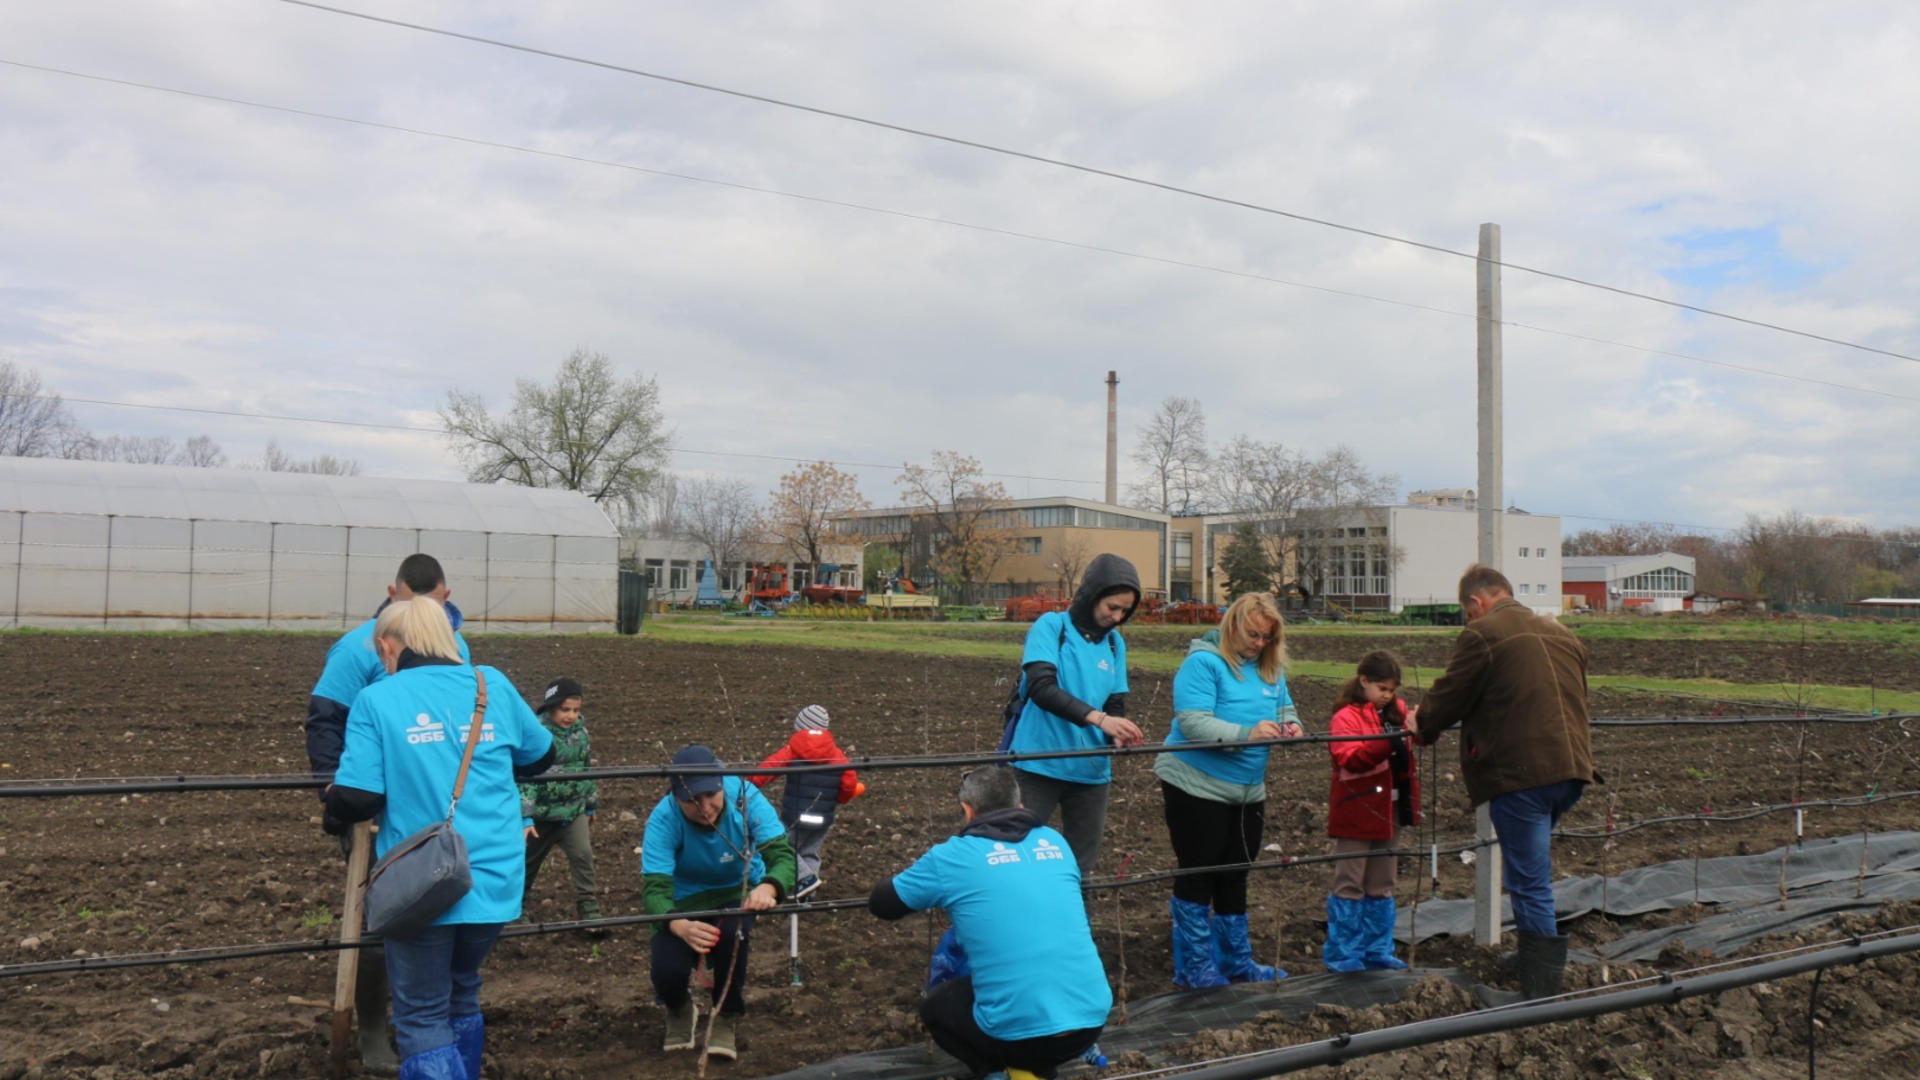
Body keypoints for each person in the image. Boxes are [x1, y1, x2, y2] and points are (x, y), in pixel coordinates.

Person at [325, 597, 555, 1080]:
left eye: (380, 648)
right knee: (462, 990)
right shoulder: (490, 684)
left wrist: (333, 805)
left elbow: (359, 797)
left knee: (421, 1015)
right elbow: (540, 756)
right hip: (493, 876)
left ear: (389, 645)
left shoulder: (378, 699)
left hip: (423, 882)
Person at [306, 553, 470, 1076]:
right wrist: (335, 794)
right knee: (382, 916)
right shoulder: (358, 648)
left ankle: (427, 1023)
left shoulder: (455, 645)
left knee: (440, 910)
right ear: (393, 595)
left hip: (437, 807)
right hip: (377, 807)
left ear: (444, 600)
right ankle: (376, 1026)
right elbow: (326, 719)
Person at [1415, 564, 1594, 1007]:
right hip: (1571, 769)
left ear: (1477, 603)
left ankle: (1540, 989)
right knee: (1525, 870)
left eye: (1467, 613)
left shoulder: (1483, 634)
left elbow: (1450, 695)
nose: (1468, 621)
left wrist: (1422, 723)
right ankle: (1533, 955)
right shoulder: (1561, 633)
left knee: (1530, 881)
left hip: (1523, 775)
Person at [868, 768, 1110, 1080]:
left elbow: (882, 905)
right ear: (1020, 806)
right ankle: (1031, 1067)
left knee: (937, 1009)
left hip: (1021, 1037)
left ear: (967, 810)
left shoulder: (952, 857)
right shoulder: (1056, 842)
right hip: (1091, 1022)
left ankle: (1000, 1072)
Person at [1153, 592, 1301, 988]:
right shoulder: (1202, 664)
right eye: (1252, 635)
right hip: (1194, 783)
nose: (1258, 644)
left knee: (1237, 870)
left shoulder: (1270, 669)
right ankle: (1194, 967)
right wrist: (1246, 735)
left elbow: (1284, 707)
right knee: (1200, 870)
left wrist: (1291, 725)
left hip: (1247, 789)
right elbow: (1193, 722)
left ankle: (1236, 962)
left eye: (1266, 638)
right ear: (1232, 626)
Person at [641, 745, 797, 1060]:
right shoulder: (663, 819)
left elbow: (782, 855)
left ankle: (726, 1014)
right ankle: (679, 1008)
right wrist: (677, 924)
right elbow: (655, 889)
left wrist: (769, 886)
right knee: (666, 970)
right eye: (691, 800)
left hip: (737, 889)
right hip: (684, 900)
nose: (705, 807)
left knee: (731, 937)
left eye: (710, 794)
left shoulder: (745, 797)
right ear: (676, 797)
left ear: (721, 781)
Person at [1004, 553, 1147, 877]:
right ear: (1093, 595)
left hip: (1090, 775)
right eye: (1112, 607)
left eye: (1125, 611)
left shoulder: (1114, 644)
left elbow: (1115, 701)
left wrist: (1117, 733)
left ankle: (1076, 928)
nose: (1118, 616)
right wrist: (1099, 719)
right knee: (1017, 860)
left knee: (1080, 870)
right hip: (1037, 765)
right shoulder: (1052, 627)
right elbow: (1041, 688)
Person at [1324, 650, 1420, 973]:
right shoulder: (1346, 718)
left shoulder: (1395, 712)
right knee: (1350, 881)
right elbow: (1347, 758)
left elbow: (1415, 734)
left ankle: (1377, 949)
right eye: (1382, 689)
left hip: (1389, 808)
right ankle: (1343, 953)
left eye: (1392, 690)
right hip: (1357, 809)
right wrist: (1386, 743)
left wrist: (1418, 726)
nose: (1387, 696)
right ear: (1364, 681)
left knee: (1382, 881)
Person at [748, 704, 866, 898]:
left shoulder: (794, 748)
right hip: (822, 819)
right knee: (809, 852)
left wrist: (751, 784)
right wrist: (840, 800)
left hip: (796, 815)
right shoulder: (837, 754)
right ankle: (807, 893)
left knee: (784, 847)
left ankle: (804, 880)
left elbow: (770, 768)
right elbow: (849, 782)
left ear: (800, 727)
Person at [518, 676, 601, 924]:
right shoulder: (537, 735)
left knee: (583, 856)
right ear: (550, 707)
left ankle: (588, 907)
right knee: (527, 863)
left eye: (576, 710)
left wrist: (590, 803)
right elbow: (526, 778)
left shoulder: (581, 733)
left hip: (573, 811)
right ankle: (517, 907)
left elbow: (586, 768)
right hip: (541, 816)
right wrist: (525, 816)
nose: (571, 716)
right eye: (565, 710)